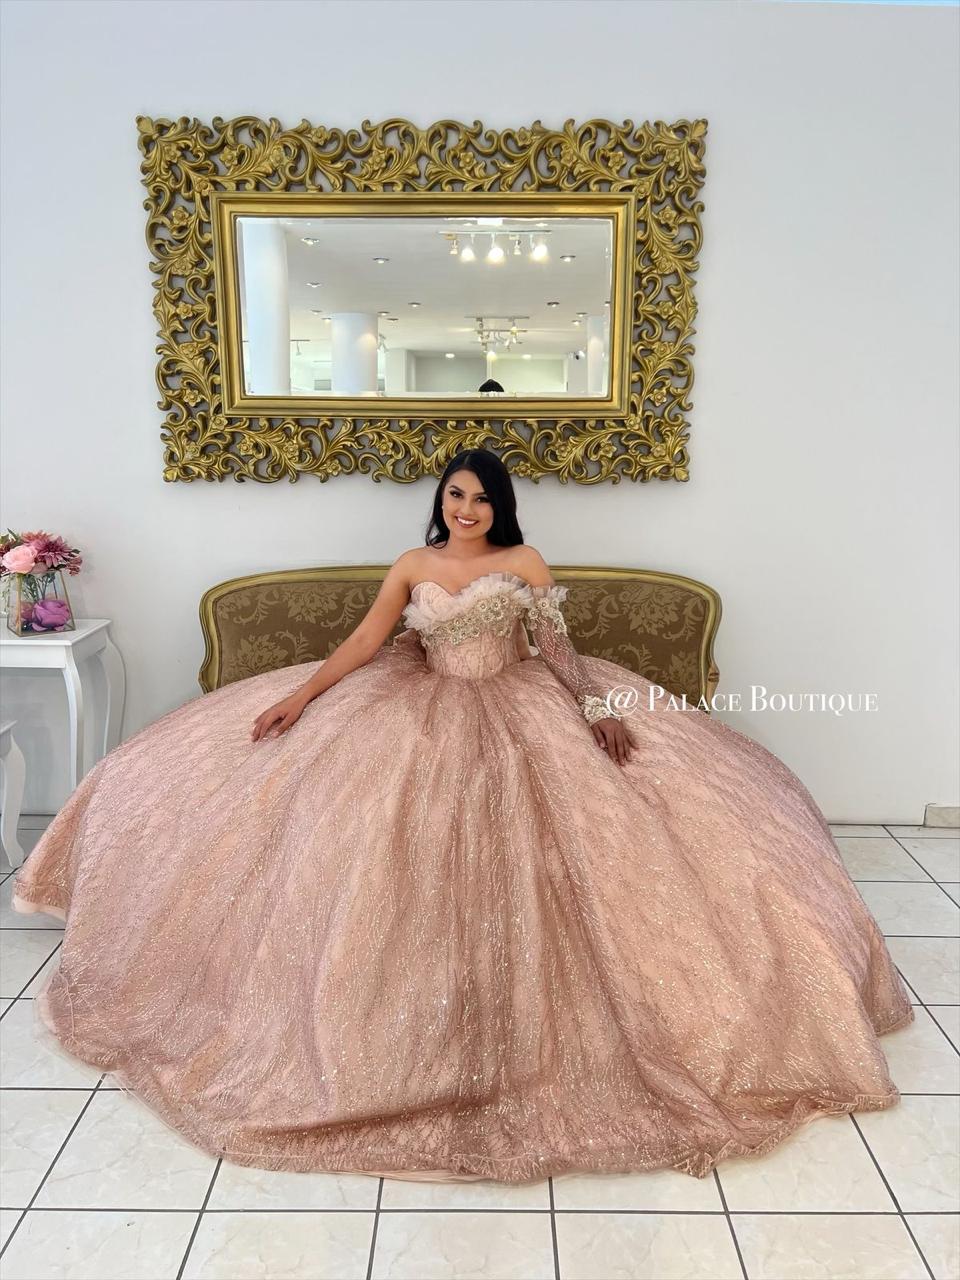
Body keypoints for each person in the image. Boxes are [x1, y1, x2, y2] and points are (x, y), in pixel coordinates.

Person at [11, 448, 914, 1185]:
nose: (468, 508)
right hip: (420, 704)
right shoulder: (414, 565)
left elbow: (556, 649)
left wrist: (596, 711)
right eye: (456, 494)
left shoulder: (524, 564)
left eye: (482, 497)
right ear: (440, 500)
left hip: (522, 706)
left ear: (501, 506)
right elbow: (369, 639)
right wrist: (304, 697)